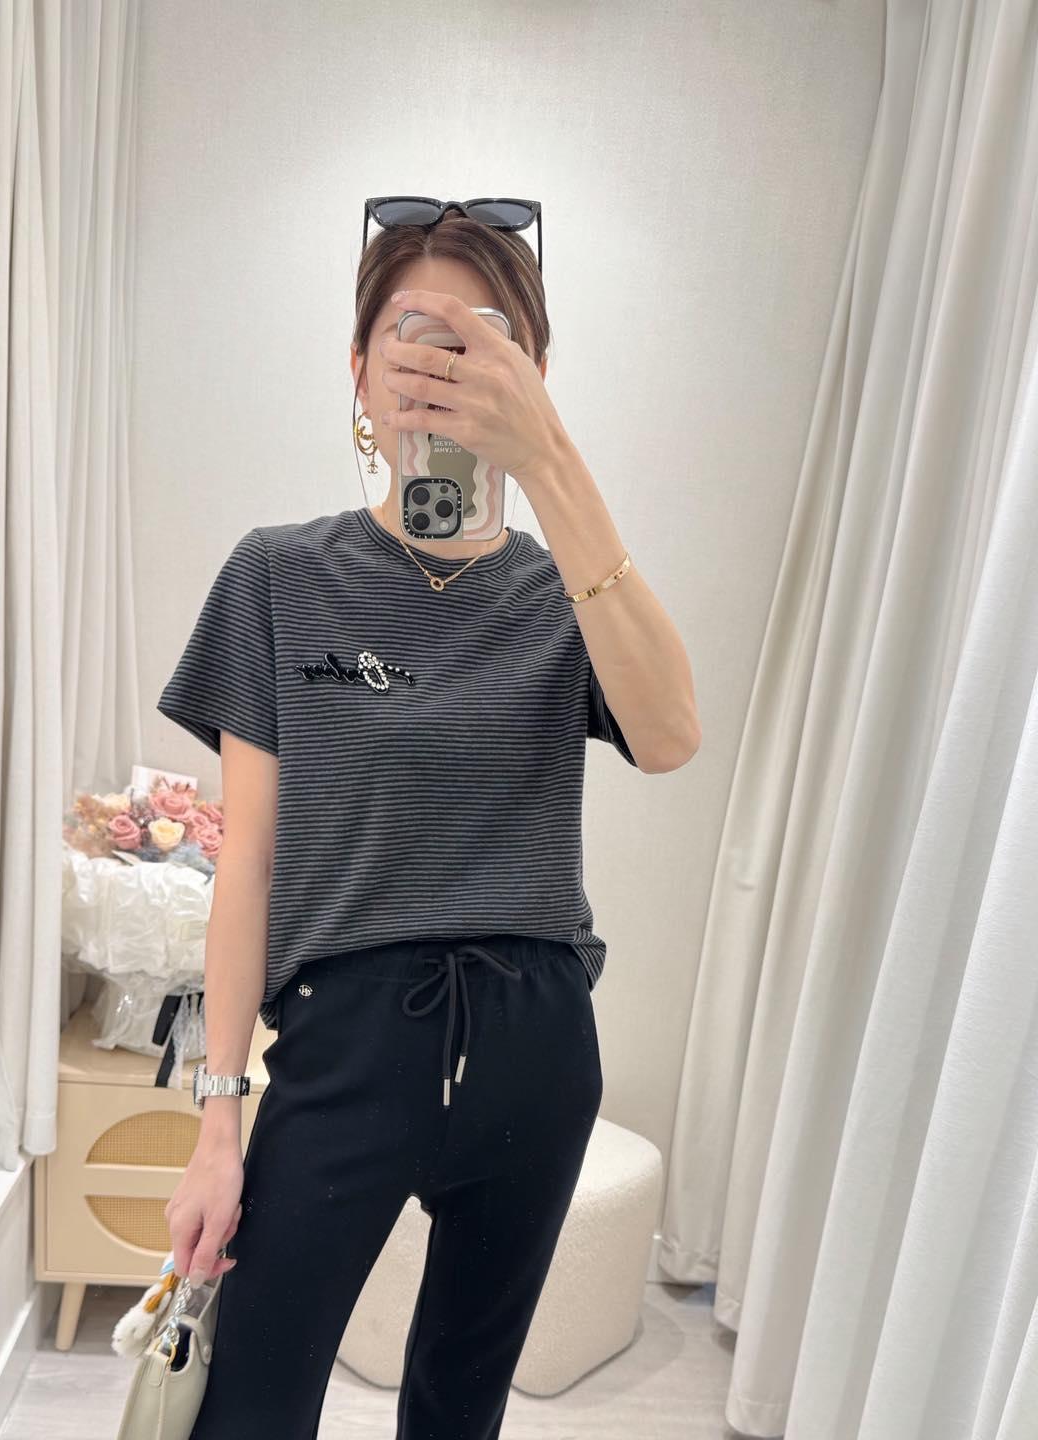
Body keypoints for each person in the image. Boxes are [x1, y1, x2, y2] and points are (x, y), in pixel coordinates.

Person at [157, 201, 699, 1438]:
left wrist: (550, 462)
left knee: (459, 1408)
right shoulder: (279, 574)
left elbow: (670, 736)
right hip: (345, 1042)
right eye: (414, 337)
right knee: (249, 1404)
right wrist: (217, 1122)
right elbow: (248, 865)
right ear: (358, 371)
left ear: (533, 373)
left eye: (482, 342)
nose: (443, 370)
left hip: (534, 1038)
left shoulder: (573, 590)